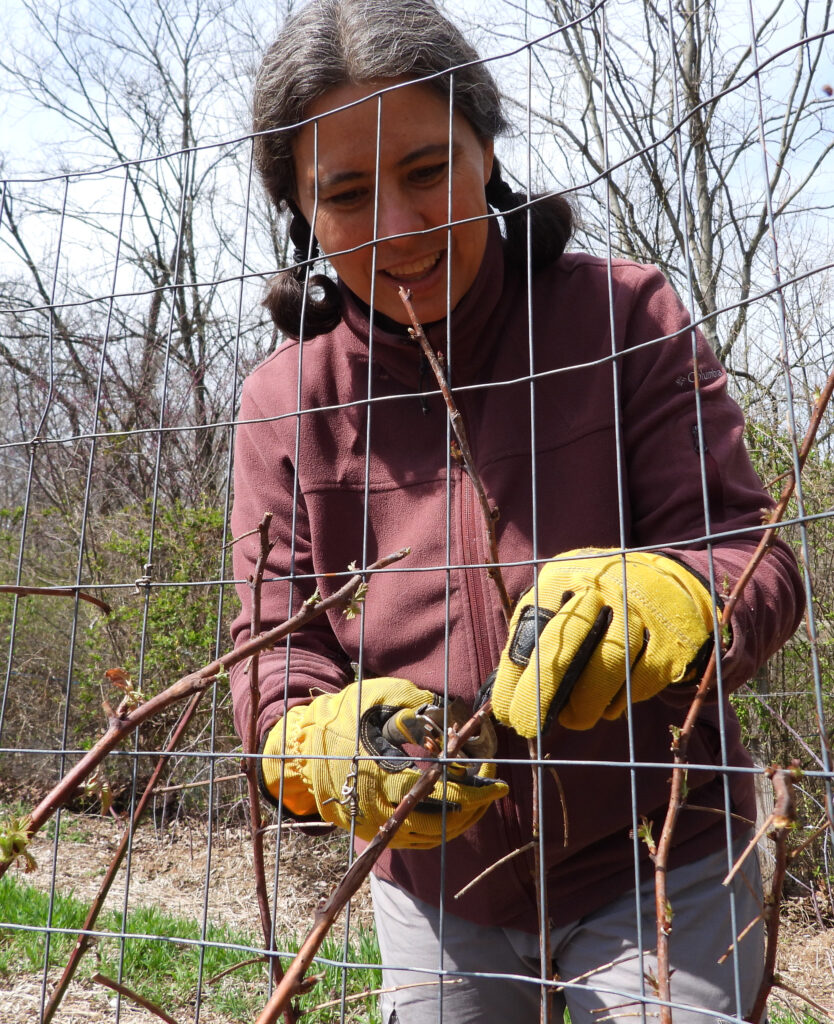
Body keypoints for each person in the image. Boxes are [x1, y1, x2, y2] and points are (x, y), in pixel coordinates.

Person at [229, 2, 805, 1021]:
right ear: (300, 210)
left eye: (426, 169)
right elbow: (277, 651)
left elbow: (753, 558)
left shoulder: (624, 317)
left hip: (659, 850)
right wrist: (313, 742)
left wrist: (670, 598)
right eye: (348, 194)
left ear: (485, 152)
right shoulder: (285, 400)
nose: (402, 228)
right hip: (437, 881)